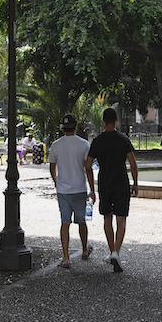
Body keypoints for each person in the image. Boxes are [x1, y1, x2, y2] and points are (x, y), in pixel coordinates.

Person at [86, 107, 139, 273]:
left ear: (103, 121)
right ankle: (116, 251)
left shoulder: (97, 141)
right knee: (121, 219)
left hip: (105, 183)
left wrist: (91, 186)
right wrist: (135, 183)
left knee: (107, 217)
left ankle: (112, 251)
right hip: (121, 182)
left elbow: (87, 165)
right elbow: (133, 163)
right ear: (116, 120)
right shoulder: (123, 139)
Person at [48, 114, 96, 267]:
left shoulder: (56, 145)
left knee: (65, 223)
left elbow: (52, 166)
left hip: (63, 190)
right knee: (81, 222)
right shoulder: (84, 144)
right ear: (76, 126)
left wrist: (57, 182)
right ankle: (84, 249)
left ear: (63, 128)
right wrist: (92, 189)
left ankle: (66, 257)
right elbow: (88, 169)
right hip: (79, 188)